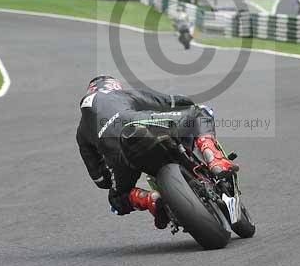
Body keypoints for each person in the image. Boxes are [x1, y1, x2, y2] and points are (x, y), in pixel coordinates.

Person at [76, 75, 238, 229]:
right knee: (200, 113)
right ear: (113, 86)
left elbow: (99, 178)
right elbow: (167, 101)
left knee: (117, 198)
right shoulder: (122, 94)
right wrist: (185, 101)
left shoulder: (82, 131)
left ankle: (151, 200)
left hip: (120, 157)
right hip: (142, 124)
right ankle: (214, 159)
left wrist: (111, 175)